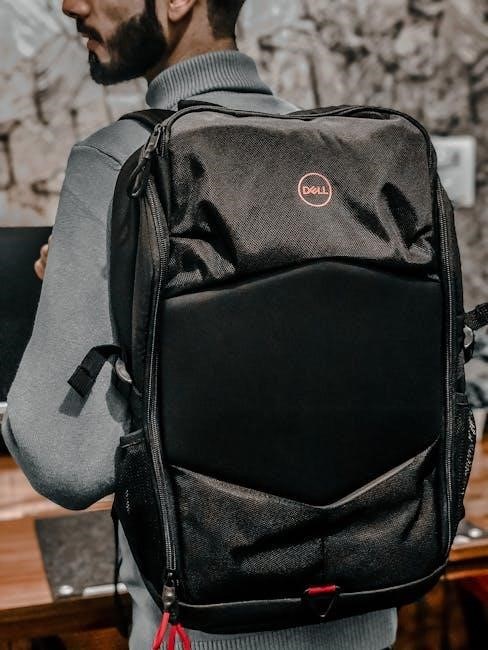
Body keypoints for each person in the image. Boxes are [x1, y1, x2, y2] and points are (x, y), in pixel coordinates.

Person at [3, 1, 397, 648]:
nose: (71, 4)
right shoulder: (347, 159)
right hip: (365, 612)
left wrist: (69, 308)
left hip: (207, 630)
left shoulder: (118, 162)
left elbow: (63, 460)